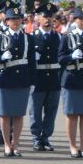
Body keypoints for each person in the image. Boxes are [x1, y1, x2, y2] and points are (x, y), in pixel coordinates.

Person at [0, 7, 36, 158]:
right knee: (5, 115)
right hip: (5, 79)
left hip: (22, 79)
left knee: (18, 115)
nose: (16, 22)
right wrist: (1, 57)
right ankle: (6, 144)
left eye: (18, 19)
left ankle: (15, 145)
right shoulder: (0, 37)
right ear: (6, 21)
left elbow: (32, 62)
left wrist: (32, 82)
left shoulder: (28, 38)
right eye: (12, 19)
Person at [30, 8, 63, 152]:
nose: (48, 20)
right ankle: (36, 138)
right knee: (35, 112)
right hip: (38, 80)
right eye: (44, 17)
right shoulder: (31, 37)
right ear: (38, 19)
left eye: (50, 17)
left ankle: (46, 138)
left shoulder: (59, 37)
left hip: (54, 80)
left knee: (51, 112)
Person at [58, 8, 83, 158]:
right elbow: (60, 59)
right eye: (80, 18)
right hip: (72, 78)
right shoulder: (67, 37)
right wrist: (71, 56)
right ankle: (72, 146)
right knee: (71, 115)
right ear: (75, 20)